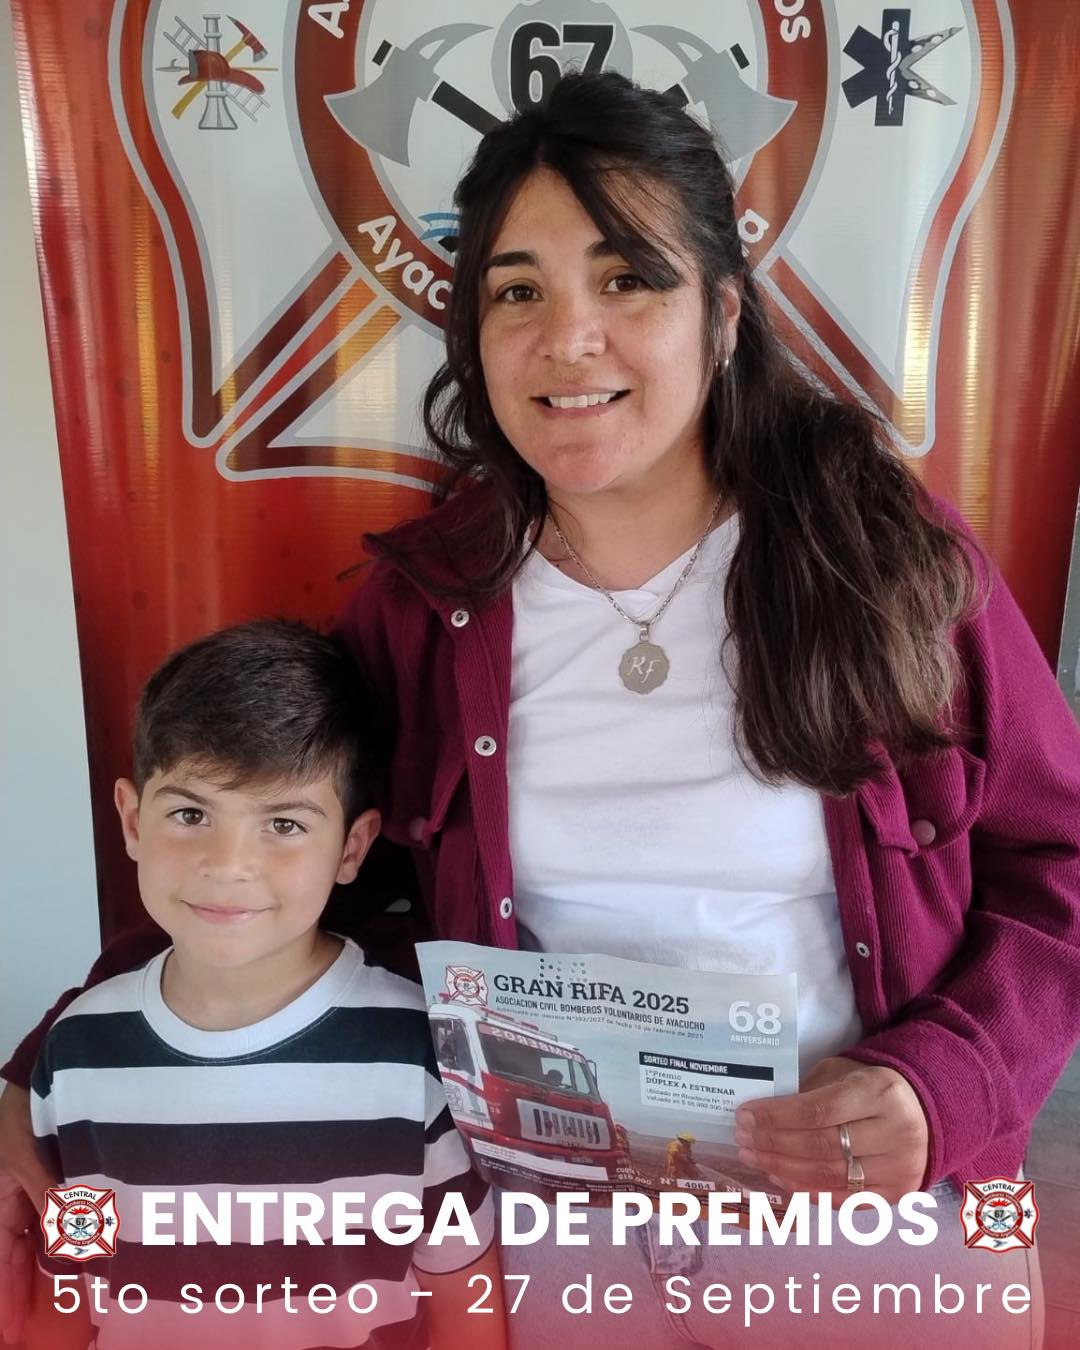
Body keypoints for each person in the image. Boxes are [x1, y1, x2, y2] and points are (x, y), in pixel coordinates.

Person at [3, 69, 1079, 1346]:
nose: (569, 338)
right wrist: (43, 1066)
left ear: (723, 314)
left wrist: (945, 1084)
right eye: (518, 291)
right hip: (553, 1226)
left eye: (629, 280)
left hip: (870, 1220)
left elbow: (1057, 862)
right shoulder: (429, 606)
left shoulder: (886, 560)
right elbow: (266, 849)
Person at [21, 621, 504, 1350]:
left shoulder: (422, 1058)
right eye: (191, 814)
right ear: (132, 820)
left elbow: (465, 1303)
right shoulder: (74, 1054)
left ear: (352, 848)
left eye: (283, 824)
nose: (228, 864)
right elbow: (71, 1283)